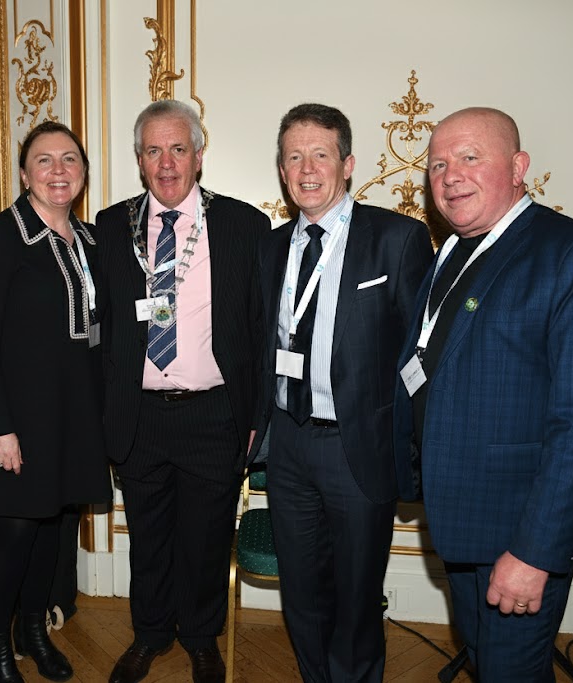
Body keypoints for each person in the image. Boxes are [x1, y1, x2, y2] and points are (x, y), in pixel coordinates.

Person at [392, 107, 573, 681]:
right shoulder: (454, 250)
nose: (450, 175)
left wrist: (534, 554)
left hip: (518, 534)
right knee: (487, 663)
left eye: (471, 158)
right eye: (438, 165)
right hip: (461, 522)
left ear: (519, 166)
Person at [249, 103, 433, 682]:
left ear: (347, 164)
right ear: (281, 170)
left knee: (355, 599)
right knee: (301, 596)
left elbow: (419, 357)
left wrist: (415, 447)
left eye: (320, 154)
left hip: (358, 449)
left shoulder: (398, 240)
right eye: (294, 157)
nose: (307, 168)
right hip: (289, 447)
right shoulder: (271, 247)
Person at [97, 99, 269, 683]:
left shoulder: (244, 224)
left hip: (213, 411)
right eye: (153, 151)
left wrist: (255, 413)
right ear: (139, 159)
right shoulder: (109, 224)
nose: (166, 163)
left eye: (177, 149)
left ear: (199, 154)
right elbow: (103, 328)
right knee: (147, 534)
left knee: (205, 534)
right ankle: (149, 634)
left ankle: (200, 638)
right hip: (139, 412)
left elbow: (260, 328)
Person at [0, 120, 111, 683]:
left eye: (69, 159)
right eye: (44, 160)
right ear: (24, 173)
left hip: (76, 416)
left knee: (54, 527)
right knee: (17, 531)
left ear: (83, 173)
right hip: (20, 420)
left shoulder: (93, 242)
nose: (58, 170)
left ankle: (33, 630)